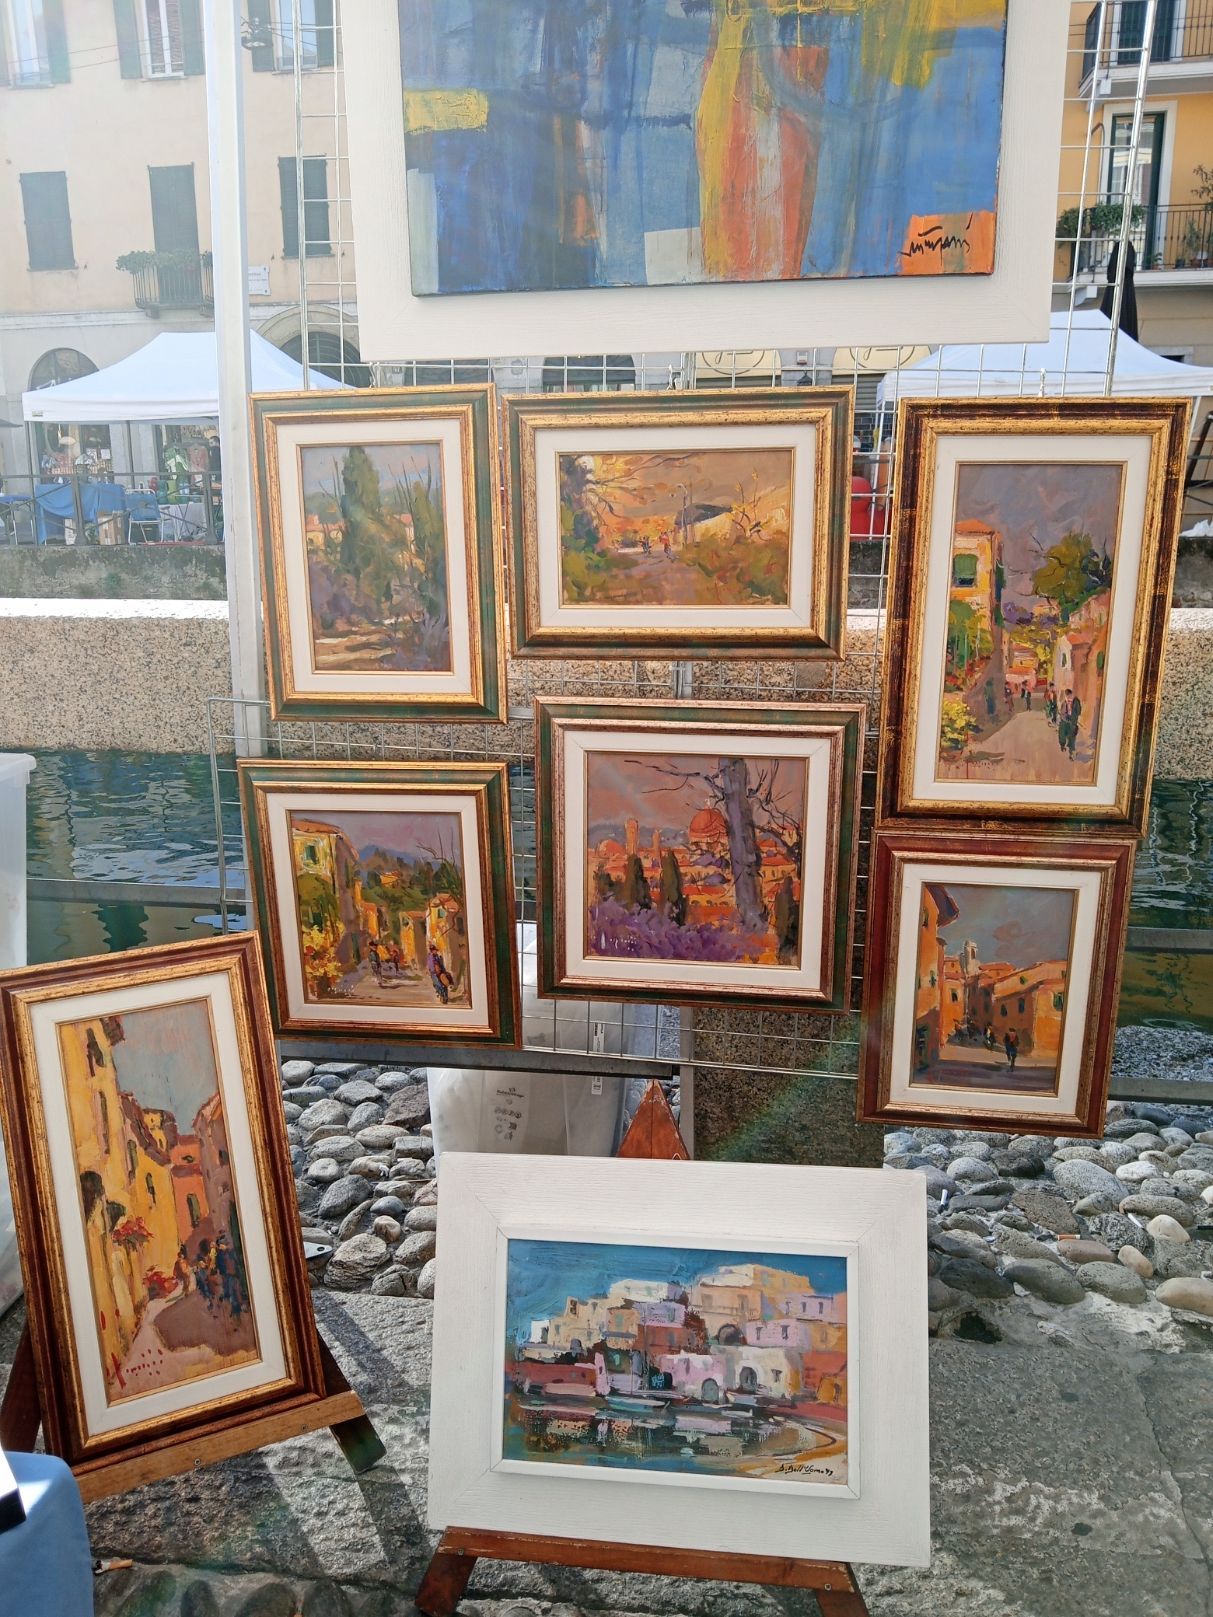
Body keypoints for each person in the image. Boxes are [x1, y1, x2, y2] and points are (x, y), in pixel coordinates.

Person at [214, 1232, 244, 1319]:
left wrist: (237, 1273)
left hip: (234, 1275)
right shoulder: (222, 1254)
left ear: (224, 1244)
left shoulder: (231, 1252)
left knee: (234, 1292)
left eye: (221, 1245)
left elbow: (237, 1262)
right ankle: (235, 1310)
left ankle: (237, 1310)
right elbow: (220, 1264)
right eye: (220, 1246)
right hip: (228, 1275)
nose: (220, 1247)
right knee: (231, 1292)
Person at [193, 1240, 217, 1311]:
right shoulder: (200, 1256)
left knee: (209, 1289)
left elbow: (210, 1265)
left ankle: (212, 1302)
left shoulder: (209, 1255)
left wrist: (208, 1266)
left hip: (207, 1276)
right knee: (206, 1289)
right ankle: (211, 1302)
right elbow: (201, 1265)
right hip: (204, 1276)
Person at [1064, 690, 1082, 759]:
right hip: (1068, 721)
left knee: (1072, 737)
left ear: (1071, 694)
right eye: (1067, 696)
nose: (1068, 697)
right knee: (1069, 736)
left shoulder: (1076, 701)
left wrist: (1074, 714)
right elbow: (1066, 710)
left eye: (1069, 696)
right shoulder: (1067, 701)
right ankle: (1072, 751)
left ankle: (1072, 752)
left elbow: (1079, 712)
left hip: (1073, 721)